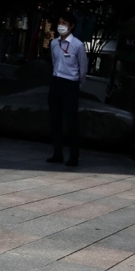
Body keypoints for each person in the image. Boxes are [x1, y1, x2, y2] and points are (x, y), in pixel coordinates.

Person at [46, 11, 88, 167]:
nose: (61, 26)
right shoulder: (54, 43)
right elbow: (54, 61)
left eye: (64, 23)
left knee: (71, 122)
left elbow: (83, 68)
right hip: (56, 82)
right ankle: (57, 153)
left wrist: (77, 84)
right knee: (55, 120)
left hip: (70, 83)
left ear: (71, 26)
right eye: (59, 22)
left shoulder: (78, 45)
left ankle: (74, 157)